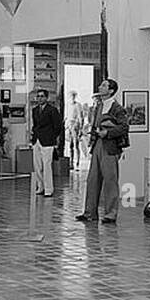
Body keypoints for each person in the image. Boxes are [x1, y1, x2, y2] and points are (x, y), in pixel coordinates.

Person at [76, 78, 129, 224]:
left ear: (111, 90)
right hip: (97, 145)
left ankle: (111, 213)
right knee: (92, 179)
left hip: (110, 147)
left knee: (110, 180)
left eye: (104, 85)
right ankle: (89, 212)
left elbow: (124, 127)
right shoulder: (99, 106)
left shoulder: (117, 108)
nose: (100, 86)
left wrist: (108, 133)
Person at [29, 89, 61, 197]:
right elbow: (35, 124)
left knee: (47, 165)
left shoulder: (52, 110)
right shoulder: (34, 110)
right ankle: (40, 186)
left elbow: (58, 126)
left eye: (42, 96)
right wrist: (33, 136)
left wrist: (52, 137)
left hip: (47, 141)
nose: (40, 98)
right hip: (37, 140)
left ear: (47, 98)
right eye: (38, 96)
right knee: (37, 165)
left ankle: (48, 189)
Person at [64, 91, 87, 171]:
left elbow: (81, 117)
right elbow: (66, 116)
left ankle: (77, 163)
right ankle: (71, 163)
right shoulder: (67, 105)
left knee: (76, 145)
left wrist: (80, 128)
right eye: (71, 96)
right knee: (70, 146)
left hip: (75, 126)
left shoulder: (78, 105)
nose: (72, 97)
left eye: (73, 96)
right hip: (69, 126)